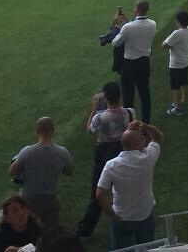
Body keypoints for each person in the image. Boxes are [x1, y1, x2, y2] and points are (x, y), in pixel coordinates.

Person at [96, 120, 164, 250]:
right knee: (147, 248)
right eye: (142, 138)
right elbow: (158, 136)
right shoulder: (148, 157)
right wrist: (144, 126)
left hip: (122, 217)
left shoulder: (111, 165)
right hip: (144, 215)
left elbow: (100, 194)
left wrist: (113, 215)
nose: (144, 140)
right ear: (135, 144)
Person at [77, 82, 134, 237]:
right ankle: (129, 218)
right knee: (123, 187)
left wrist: (94, 108)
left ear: (106, 99)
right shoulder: (129, 112)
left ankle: (86, 229)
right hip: (122, 152)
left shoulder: (99, 117)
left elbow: (89, 129)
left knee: (97, 191)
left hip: (103, 154)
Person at [11, 117, 76, 229]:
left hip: (29, 198)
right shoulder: (62, 152)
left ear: (37, 131)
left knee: (30, 228)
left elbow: (12, 172)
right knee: (52, 229)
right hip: (51, 197)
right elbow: (69, 172)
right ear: (53, 131)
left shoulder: (27, 151)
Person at [113, 1, 157, 122]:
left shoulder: (128, 27)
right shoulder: (152, 24)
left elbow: (116, 42)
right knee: (145, 93)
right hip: (144, 62)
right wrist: (127, 21)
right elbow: (136, 29)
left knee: (128, 96)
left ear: (136, 10)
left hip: (129, 64)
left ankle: (130, 123)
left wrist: (115, 26)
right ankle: (146, 122)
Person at [163, 10, 188, 116]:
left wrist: (169, 37)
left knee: (175, 86)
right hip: (185, 61)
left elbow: (164, 45)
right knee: (185, 82)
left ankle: (178, 107)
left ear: (178, 21)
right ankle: (185, 102)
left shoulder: (177, 33)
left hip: (176, 64)